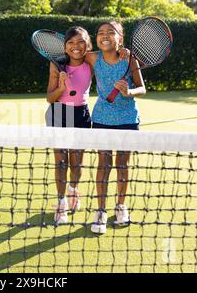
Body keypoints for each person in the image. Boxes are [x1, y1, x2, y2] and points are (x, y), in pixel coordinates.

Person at [85, 21, 146, 234]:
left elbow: (142, 88)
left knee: (122, 164)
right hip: (102, 117)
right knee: (104, 164)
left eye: (111, 32)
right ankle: (100, 210)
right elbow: (73, 54)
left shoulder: (130, 59)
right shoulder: (92, 57)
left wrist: (129, 92)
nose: (104, 35)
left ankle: (121, 206)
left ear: (120, 38)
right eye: (100, 32)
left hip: (128, 118)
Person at [45, 26, 93, 224]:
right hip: (58, 114)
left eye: (81, 41)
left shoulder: (92, 61)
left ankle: (73, 189)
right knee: (61, 161)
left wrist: (122, 51)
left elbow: (113, 56)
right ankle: (61, 201)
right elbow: (50, 97)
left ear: (88, 45)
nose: (76, 46)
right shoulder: (56, 65)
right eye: (71, 42)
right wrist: (62, 87)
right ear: (65, 47)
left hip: (81, 115)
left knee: (76, 163)